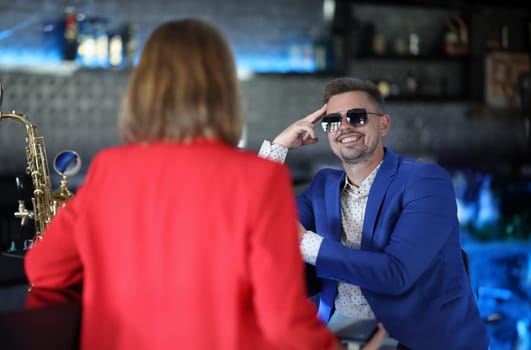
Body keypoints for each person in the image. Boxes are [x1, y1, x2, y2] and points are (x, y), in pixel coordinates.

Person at [24, 19, 347, 350]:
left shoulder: (110, 168)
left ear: (142, 90)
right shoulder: (261, 180)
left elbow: (45, 269)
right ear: (225, 90)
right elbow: (284, 324)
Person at [258, 77, 490, 350]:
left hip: (417, 335)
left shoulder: (425, 181)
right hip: (342, 328)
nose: (344, 126)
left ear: (383, 124)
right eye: (333, 121)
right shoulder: (323, 185)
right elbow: (257, 218)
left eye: (356, 117)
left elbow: (395, 274)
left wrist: (304, 242)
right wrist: (278, 147)